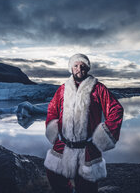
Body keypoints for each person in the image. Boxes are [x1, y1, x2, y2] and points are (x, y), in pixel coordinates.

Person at [44, 53, 124, 193]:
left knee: (87, 186)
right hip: (64, 143)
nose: (79, 68)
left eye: (83, 66)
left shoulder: (98, 88)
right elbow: (52, 110)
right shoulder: (62, 89)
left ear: (87, 69)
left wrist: (103, 136)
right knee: (54, 175)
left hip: (88, 146)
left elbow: (115, 110)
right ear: (71, 68)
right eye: (76, 65)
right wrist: (53, 130)